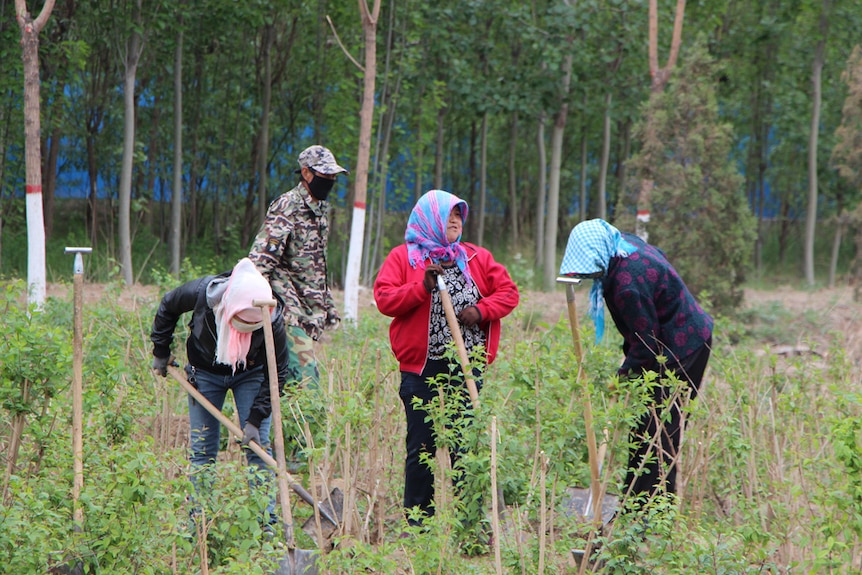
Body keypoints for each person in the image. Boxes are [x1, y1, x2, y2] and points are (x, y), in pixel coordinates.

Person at [373, 189, 520, 531]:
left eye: (459, 215)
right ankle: (419, 527)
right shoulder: (404, 258)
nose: (455, 220)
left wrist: (480, 310)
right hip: (420, 368)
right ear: (429, 219)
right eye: (448, 214)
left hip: (464, 368)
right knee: (421, 447)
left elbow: (509, 293)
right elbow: (384, 299)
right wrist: (420, 288)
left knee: (465, 446)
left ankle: (469, 525)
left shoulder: (476, 258)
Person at [559, 218, 713, 504]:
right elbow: (659, 257)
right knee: (642, 425)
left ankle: (650, 515)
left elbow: (646, 346)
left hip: (684, 347)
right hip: (671, 338)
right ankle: (636, 507)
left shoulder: (626, 286)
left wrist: (621, 377)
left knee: (658, 431)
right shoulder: (623, 245)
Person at [150, 257, 291, 532]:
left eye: (251, 330)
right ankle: (198, 523)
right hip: (205, 372)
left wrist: (255, 418)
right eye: (239, 326)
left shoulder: (272, 319)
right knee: (202, 449)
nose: (243, 334)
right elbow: (168, 305)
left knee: (259, 447)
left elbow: (278, 374)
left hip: (251, 373)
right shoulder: (206, 294)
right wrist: (161, 351)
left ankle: (266, 525)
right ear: (229, 309)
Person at [248, 144, 348, 389]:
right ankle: (304, 428)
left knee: (288, 383)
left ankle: (283, 425)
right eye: (325, 175)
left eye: (333, 176)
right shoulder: (288, 206)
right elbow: (260, 261)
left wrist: (328, 307)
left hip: (309, 309)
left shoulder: (320, 210)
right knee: (306, 385)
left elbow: (316, 265)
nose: (330, 181)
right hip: (287, 309)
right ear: (306, 173)